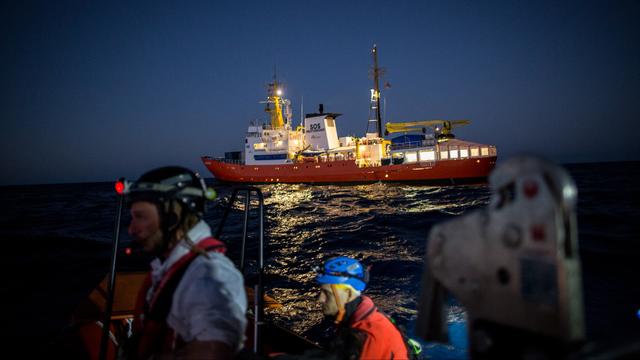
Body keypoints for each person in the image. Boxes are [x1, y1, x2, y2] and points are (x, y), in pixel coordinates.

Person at [125, 166, 247, 359]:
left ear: (172, 217)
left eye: (140, 217)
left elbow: (214, 351)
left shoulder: (208, 274)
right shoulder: (171, 265)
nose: (131, 229)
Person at [315, 256, 412, 360]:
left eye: (327, 293)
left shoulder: (368, 338)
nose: (320, 299)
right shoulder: (360, 318)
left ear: (348, 294)